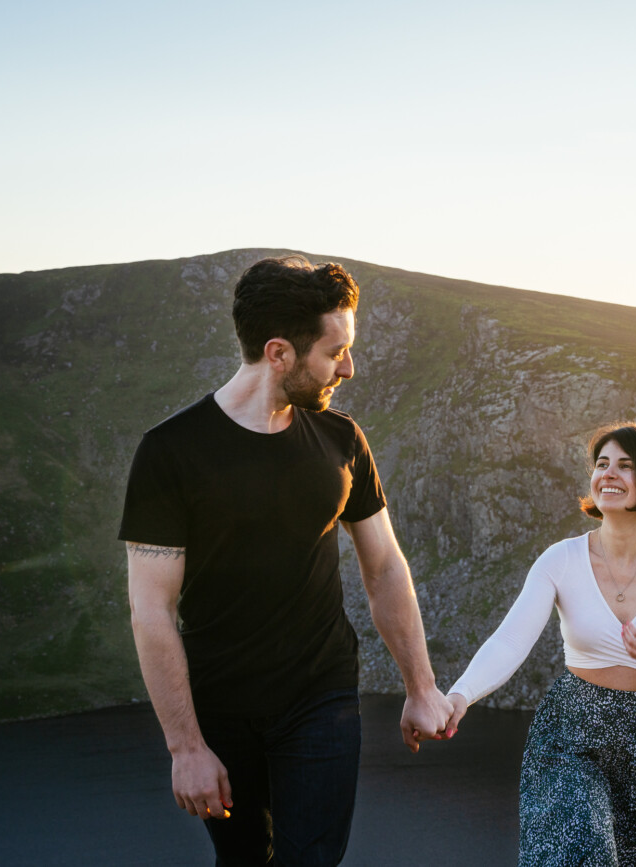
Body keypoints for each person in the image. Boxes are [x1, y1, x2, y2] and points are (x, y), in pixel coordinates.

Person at [120, 255, 451, 866]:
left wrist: (421, 687)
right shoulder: (170, 452)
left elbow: (384, 568)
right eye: (334, 352)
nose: (348, 368)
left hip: (319, 697)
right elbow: (152, 611)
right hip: (218, 707)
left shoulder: (340, 440)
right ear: (279, 353)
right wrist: (185, 748)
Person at [445, 422, 636, 866]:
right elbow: (510, 640)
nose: (608, 475)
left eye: (626, 465)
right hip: (571, 733)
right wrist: (460, 696)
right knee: (580, 850)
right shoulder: (561, 559)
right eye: (602, 465)